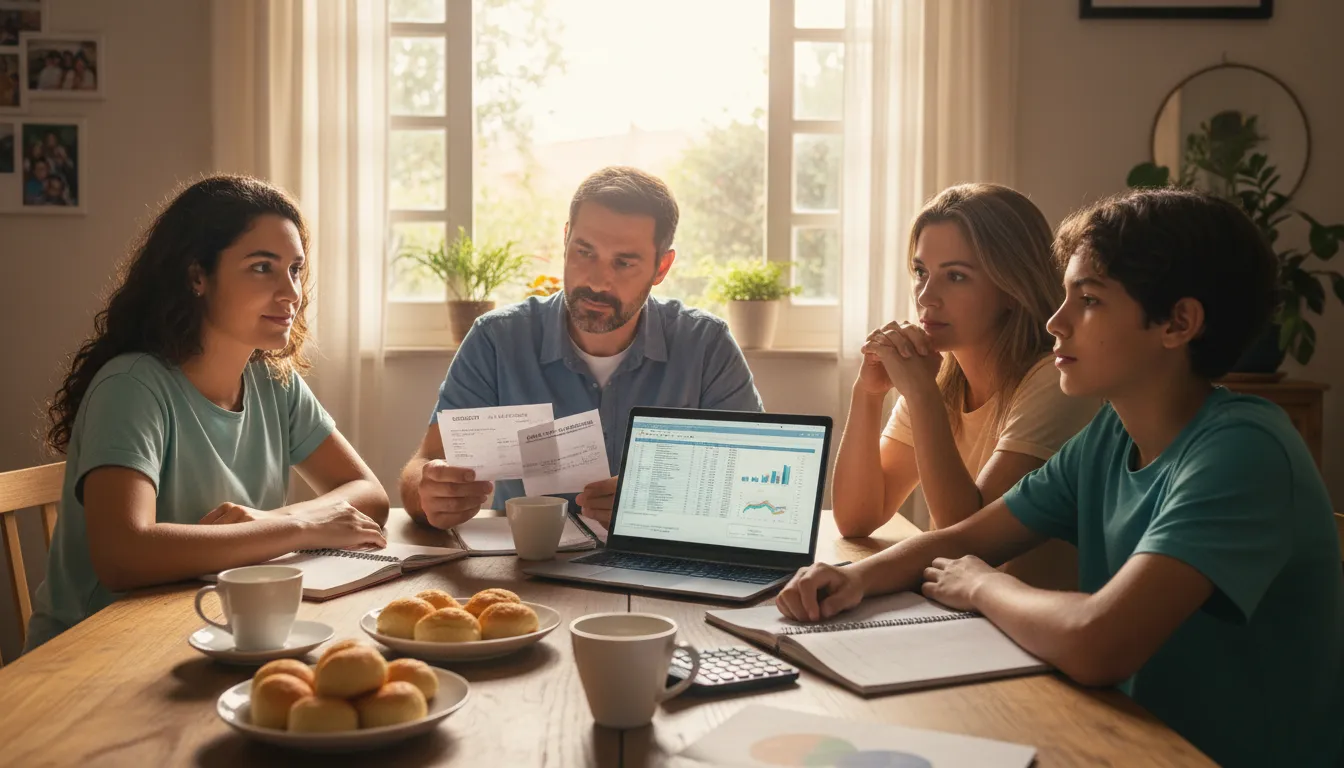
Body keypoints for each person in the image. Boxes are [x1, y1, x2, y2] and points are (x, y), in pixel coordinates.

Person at [776, 188, 1343, 768]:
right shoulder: (1109, 437)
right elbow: (964, 538)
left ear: (1178, 322)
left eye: (1089, 300)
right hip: (1125, 734)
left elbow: (1098, 643)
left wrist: (980, 586)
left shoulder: (1243, 450)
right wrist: (852, 580)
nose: (1055, 321)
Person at [27, 175, 390, 651]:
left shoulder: (273, 382)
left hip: (214, 632)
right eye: (263, 268)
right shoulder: (131, 386)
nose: (291, 292)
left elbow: (370, 495)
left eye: (296, 270)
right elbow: (123, 555)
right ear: (197, 275)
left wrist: (265, 521)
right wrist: (298, 527)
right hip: (96, 654)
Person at [400, 166, 764, 530]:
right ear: (565, 239)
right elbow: (423, 466)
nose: (596, 280)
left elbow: (756, 481)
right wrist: (429, 493)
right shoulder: (497, 340)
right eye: (584, 251)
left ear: (661, 267)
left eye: (623, 262)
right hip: (525, 570)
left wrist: (656, 501)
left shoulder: (706, 345)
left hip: (662, 565)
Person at [831, 184, 1098, 588]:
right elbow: (856, 518)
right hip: (963, 616)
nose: (926, 296)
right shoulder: (941, 376)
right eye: (921, 272)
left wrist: (921, 395)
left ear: (1011, 288)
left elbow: (969, 543)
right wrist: (868, 393)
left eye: (956, 276)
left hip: (1028, 632)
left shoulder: (1055, 379)